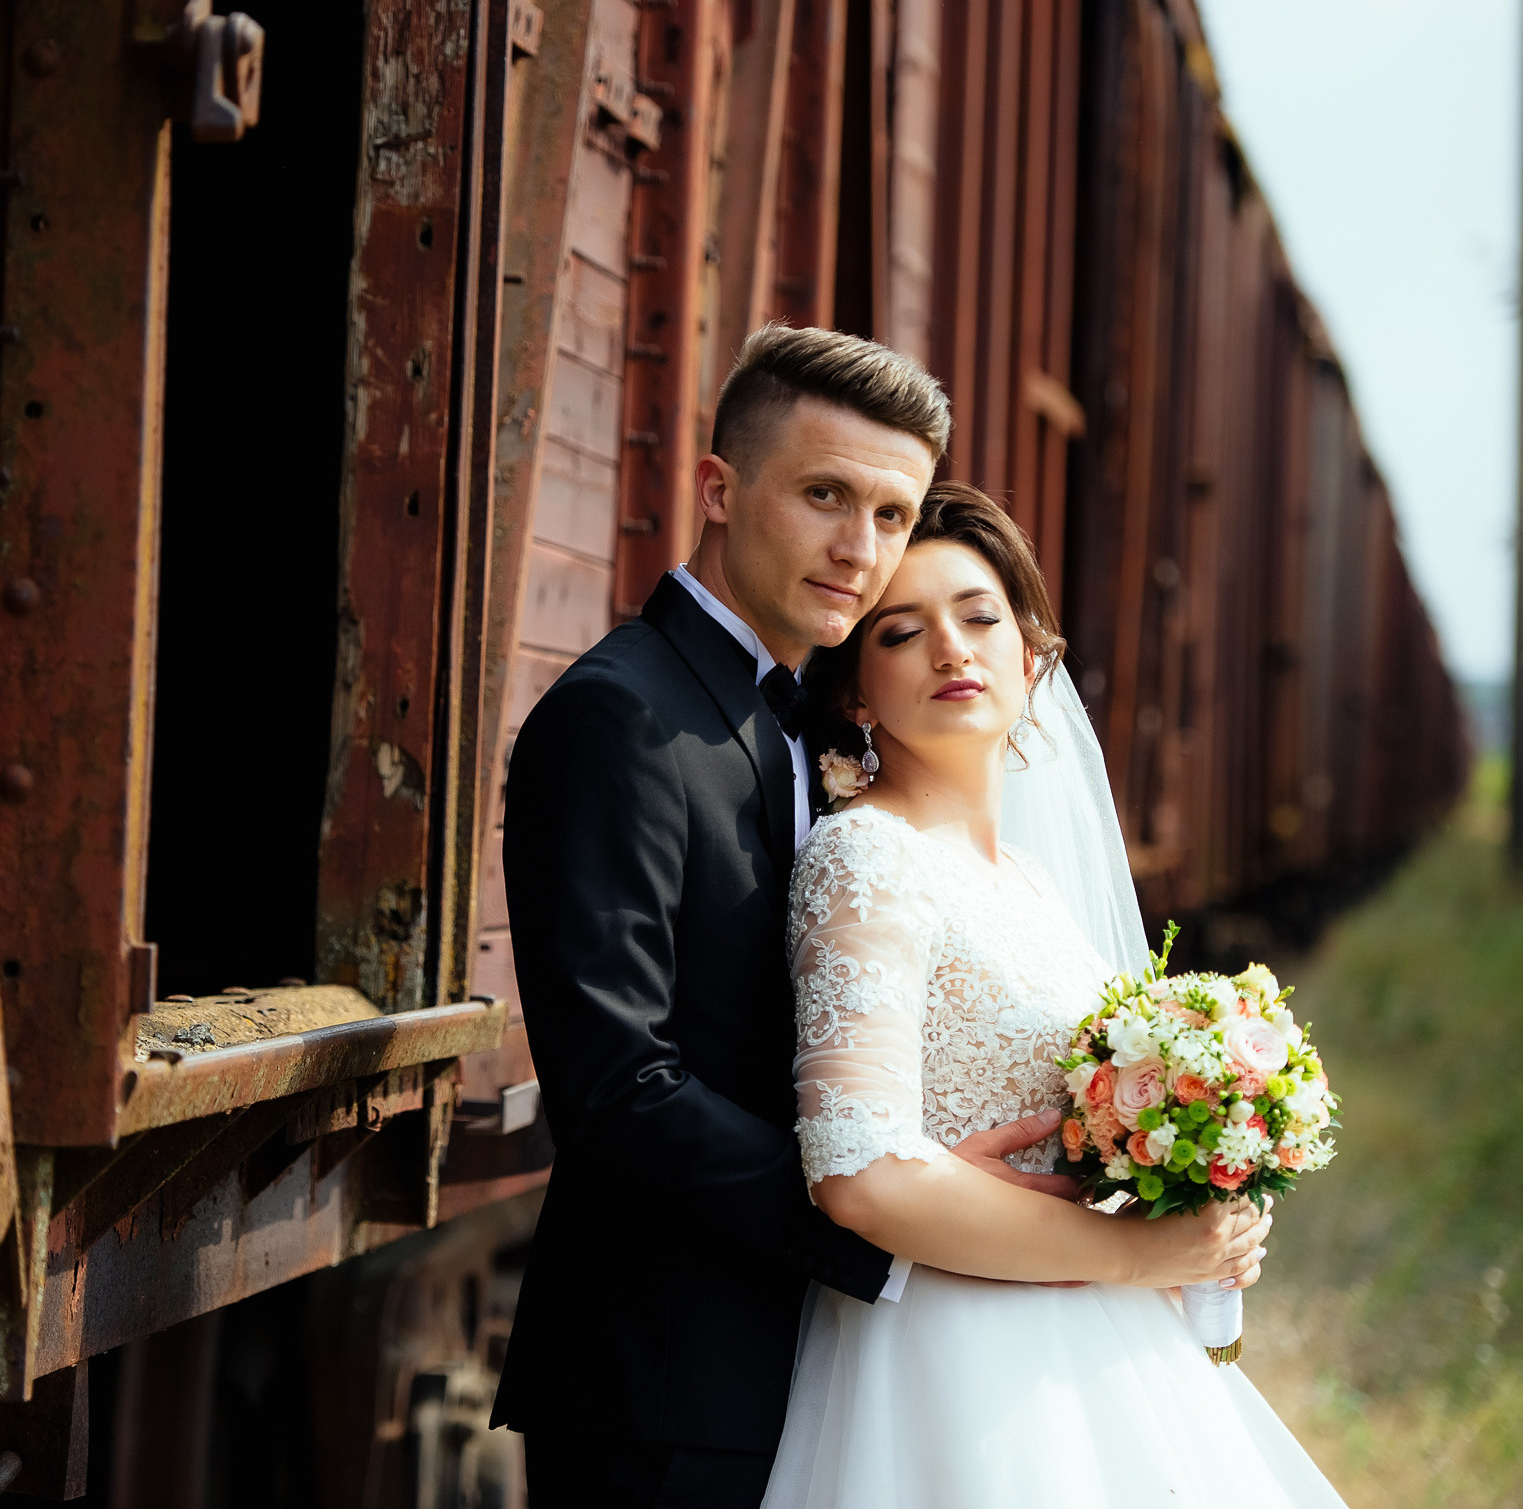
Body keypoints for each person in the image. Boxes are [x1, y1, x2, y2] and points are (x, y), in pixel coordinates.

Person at [492, 324, 1271, 1508]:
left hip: (830, 1352)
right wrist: (885, 1199)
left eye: (892, 515)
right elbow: (615, 1090)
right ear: (719, 488)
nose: (860, 550)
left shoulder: (799, 721)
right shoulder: (623, 718)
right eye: (823, 496)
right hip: (669, 1373)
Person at [763, 483, 1342, 1506]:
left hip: (1090, 1330)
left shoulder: (1029, 879)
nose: (953, 650)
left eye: (980, 617)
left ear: (1031, 659)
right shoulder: (865, 859)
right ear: (857, 692)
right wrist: (1130, 1251)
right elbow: (856, 1175)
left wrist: (1194, 1183)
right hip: (947, 1358)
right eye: (904, 633)